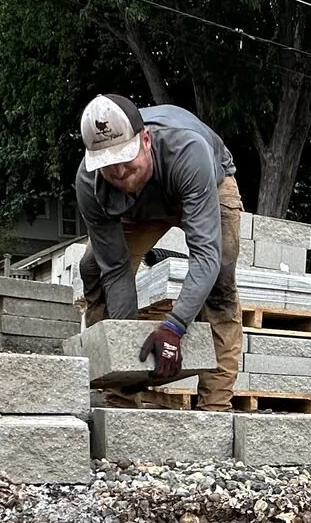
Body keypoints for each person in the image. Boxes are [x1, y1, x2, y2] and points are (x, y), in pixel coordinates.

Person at [74, 93, 245, 409]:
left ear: (146, 139)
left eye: (126, 158)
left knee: (219, 280)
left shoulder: (188, 151)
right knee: (94, 268)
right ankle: (120, 395)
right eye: (110, 167)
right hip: (136, 207)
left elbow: (205, 255)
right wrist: (126, 351)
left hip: (205, 182)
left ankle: (215, 407)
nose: (121, 173)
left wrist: (174, 327)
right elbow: (116, 269)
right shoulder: (90, 182)